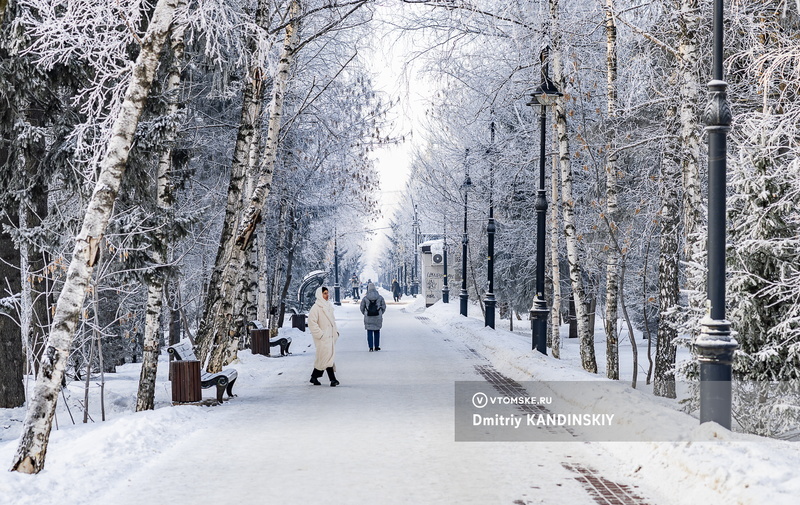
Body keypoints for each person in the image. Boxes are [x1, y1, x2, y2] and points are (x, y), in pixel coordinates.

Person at [307, 286, 340, 386]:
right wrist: (320, 334)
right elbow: (312, 322)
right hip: (323, 338)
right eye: (324, 293)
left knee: (323, 359)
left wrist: (336, 332)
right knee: (327, 358)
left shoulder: (328, 306)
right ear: (319, 294)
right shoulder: (316, 308)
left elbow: (332, 322)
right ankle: (333, 380)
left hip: (330, 337)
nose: (327, 295)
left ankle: (314, 377)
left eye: (327, 293)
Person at [360, 282, 386, 352]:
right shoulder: (380, 297)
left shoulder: (365, 298)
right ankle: (377, 346)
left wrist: (365, 313)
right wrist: (380, 313)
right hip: (377, 316)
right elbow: (384, 306)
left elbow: (362, 308)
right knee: (377, 331)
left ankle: (371, 347)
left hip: (368, 317)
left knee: (369, 331)